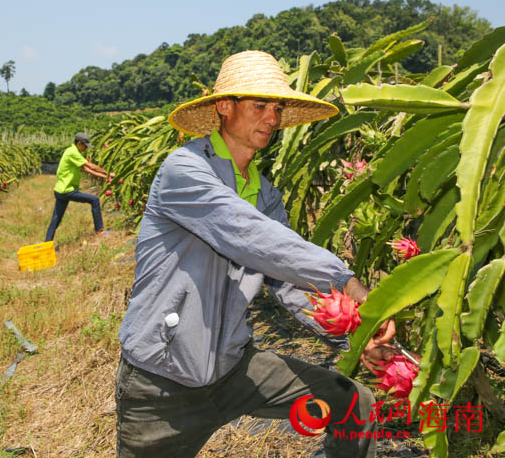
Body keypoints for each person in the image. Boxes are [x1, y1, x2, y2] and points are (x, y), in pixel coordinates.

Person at [116, 51, 398, 458]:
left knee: (354, 402)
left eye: (278, 107)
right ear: (224, 107)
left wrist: (355, 334)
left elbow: (288, 281)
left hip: (233, 367)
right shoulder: (185, 170)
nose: (272, 117)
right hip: (162, 384)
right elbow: (249, 235)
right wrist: (346, 280)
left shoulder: (266, 195)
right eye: (260, 105)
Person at [44, 132, 109, 242]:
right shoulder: (72, 152)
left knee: (56, 219)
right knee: (94, 200)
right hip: (67, 190)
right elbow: (90, 166)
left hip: (60, 190)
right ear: (79, 143)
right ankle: (100, 231)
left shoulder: (73, 151)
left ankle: (47, 243)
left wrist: (105, 177)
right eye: (85, 146)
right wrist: (109, 174)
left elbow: (86, 169)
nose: (86, 149)